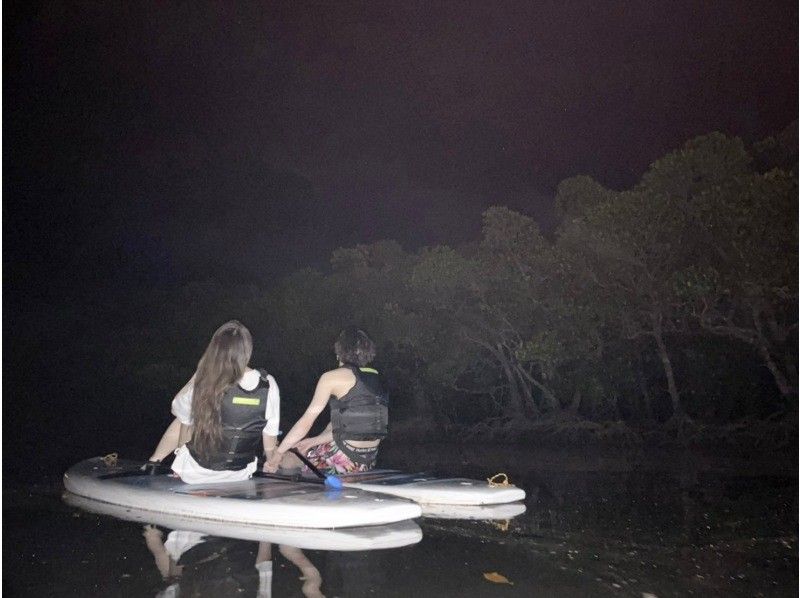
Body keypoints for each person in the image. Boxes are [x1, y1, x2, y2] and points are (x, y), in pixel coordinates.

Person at [148, 320, 280, 484]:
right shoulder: (268, 384)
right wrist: (272, 461)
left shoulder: (206, 380)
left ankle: (154, 461)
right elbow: (269, 445)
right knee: (189, 414)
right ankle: (157, 461)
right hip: (240, 473)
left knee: (184, 417)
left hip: (194, 472)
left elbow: (176, 408)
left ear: (215, 350)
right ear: (248, 350)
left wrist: (198, 374)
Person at [264, 327, 387, 475]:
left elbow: (306, 422)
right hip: (368, 459)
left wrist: (278, 453)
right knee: (304, 447)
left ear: (339, 352)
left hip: (343, 457)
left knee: (289, 458)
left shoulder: (331, 377)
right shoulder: (376, 379)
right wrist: (313, 442)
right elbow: (350, 427)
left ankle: (272, 457)